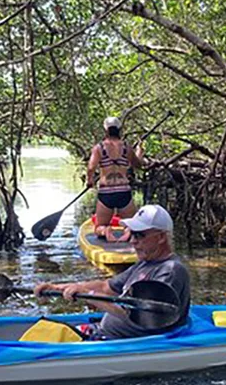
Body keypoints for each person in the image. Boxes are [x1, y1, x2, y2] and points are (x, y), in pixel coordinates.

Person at [34, 204, 190, 339]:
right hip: (102, 333)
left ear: (161, 237)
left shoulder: (171, 271)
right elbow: (105, 287)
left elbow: (139, 314)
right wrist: (58, 288)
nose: (133, 241)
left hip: (126, 342)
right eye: (132, 233)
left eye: (139, 235)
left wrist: (89, 296)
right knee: (42, 330)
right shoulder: (144, 263)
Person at [86, 116, 145, 241]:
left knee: (99, 227)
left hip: (106, 192)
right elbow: (138, 165)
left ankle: (105, 230)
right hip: (124, 191)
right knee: (133, 226)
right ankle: (128, 231)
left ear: (106, 130)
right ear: (119, 129)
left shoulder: (99, 148)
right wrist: (139, 152)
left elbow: (91, 167)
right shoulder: (126, 148)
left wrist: (89, 181)